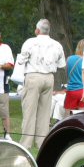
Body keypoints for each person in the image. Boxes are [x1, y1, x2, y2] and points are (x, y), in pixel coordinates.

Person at [17, 19, 66, 149]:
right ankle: (41, 143)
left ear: (37, 30)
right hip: (49, 77)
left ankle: (26, 144)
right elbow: (62, 64)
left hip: (33, 76)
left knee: (29, 111)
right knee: (45, 113)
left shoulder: (30, 42)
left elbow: (21, 60)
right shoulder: (57, 45)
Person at [64, 39, 84, 112]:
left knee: (68, 116)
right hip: (82, 91)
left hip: (71, 90)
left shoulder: (69, 59)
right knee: (81, 115)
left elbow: (67, 72)